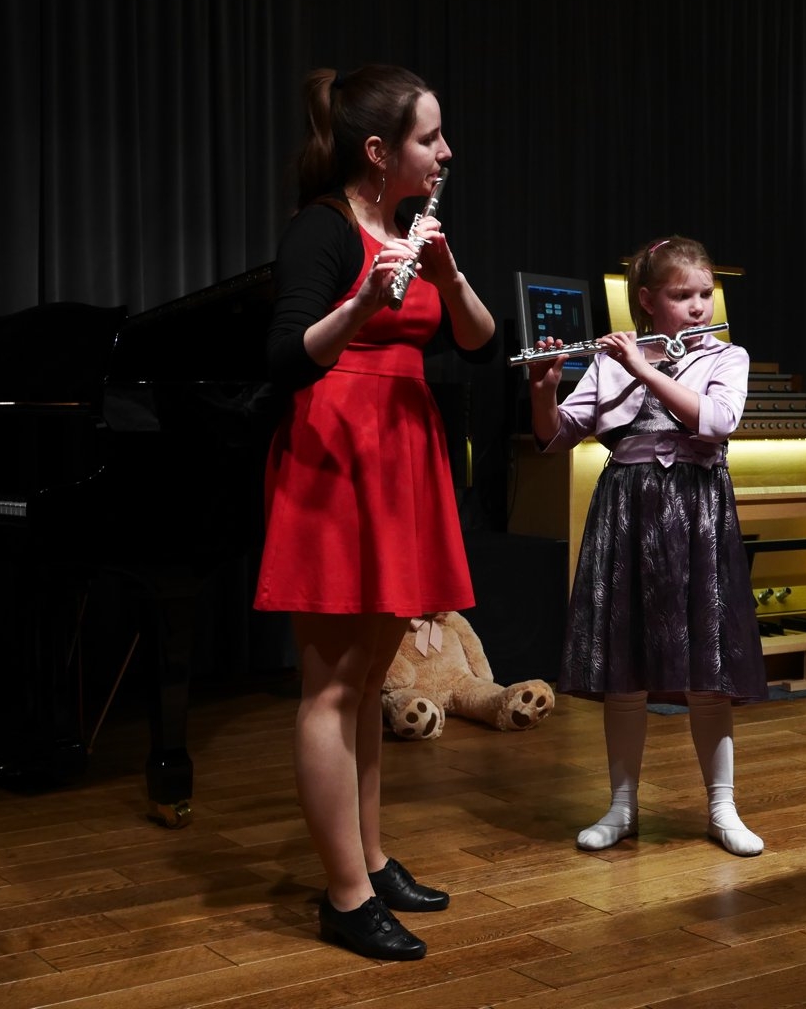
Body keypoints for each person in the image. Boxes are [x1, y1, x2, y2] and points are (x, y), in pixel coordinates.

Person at [254, 64, 495, 961]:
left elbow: (480, 346)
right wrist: (361, 302)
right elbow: (287, 357)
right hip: (334, 456)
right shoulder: (321, 229)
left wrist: (448, 276)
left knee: (368, 681)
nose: (445, 152)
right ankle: (346, 895)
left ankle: (372, 857)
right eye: (429, 138)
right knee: (329, 687)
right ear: (378, 151)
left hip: (403, 455)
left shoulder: (412, 229)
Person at [527, 235, 767, 858]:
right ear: (646, 300)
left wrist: (642, 369)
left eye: (705, 294)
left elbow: (716, 421)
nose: (698, 306)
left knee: (708, 670)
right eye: (682, 295)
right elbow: (555, 437)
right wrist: (543, 388)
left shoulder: (726, 356)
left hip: (697, 511)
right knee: (624, 670)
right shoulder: (611, 360)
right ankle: (622, 807)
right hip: (628, 512)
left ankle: (722, 808)